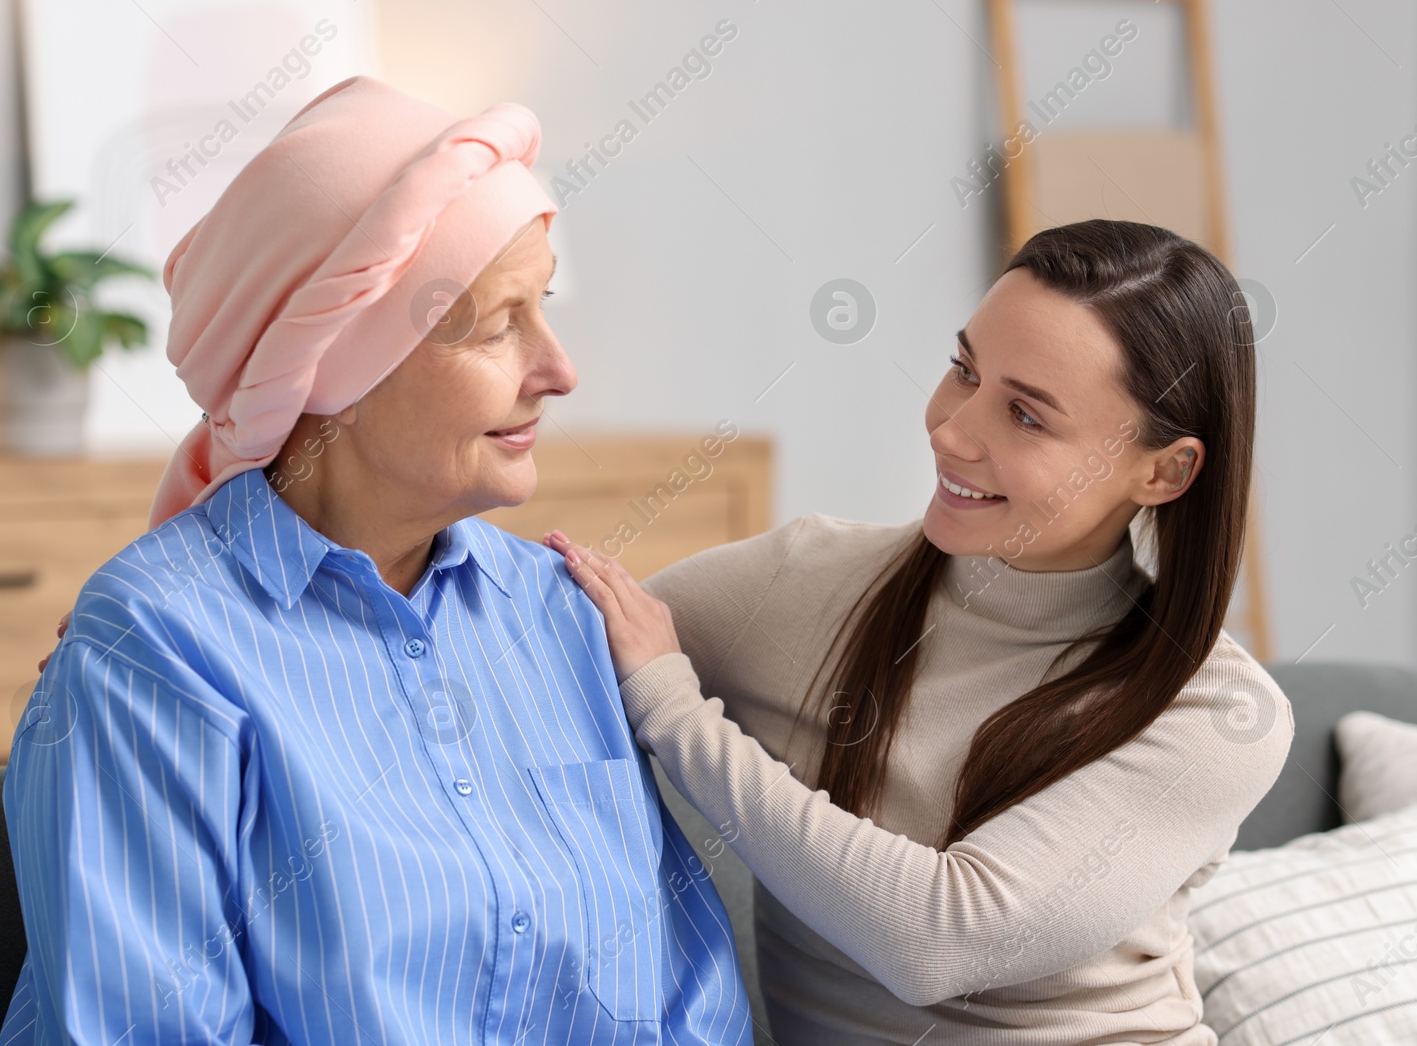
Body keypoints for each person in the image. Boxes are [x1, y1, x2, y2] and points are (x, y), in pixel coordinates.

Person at [2, 75, 752, 1045]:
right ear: (333, 371)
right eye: (493, 324)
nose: (558, 370)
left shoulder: (558, 611)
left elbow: (690, 997)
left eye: (544, 303)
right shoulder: (153, 646)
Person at [545, 219, 1295, 1045]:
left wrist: (676, 714)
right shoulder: (801, 579)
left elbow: (940, 938)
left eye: (1026, 416)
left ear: (1165, 471)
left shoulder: (1216, 710)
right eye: (964, 370)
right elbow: (541, 651)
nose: (951, 430)